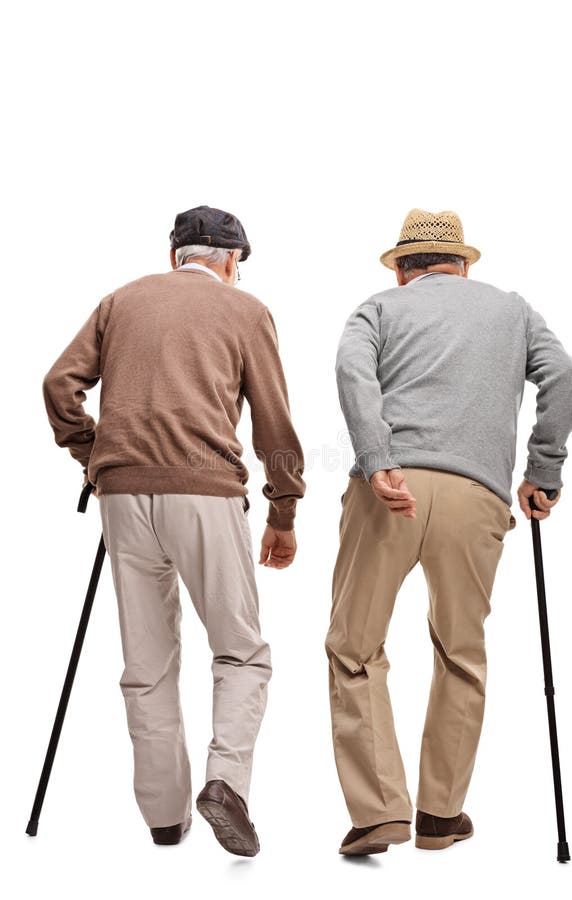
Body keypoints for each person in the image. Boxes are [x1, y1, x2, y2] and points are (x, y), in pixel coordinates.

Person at [43, 205, 305, 853]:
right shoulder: (247, 312)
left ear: (174, 257)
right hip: (206, 493)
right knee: (241, 651)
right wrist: (284, 509)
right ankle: (224, 785)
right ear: (231, 261)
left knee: (147, 664)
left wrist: (94, 457)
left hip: (123, 497)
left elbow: (59, 386)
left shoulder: (119, 301)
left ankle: (165, 819)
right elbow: (273, 424)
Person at [326, 207, 572, 856]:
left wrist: (379, 456)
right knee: (460, 650)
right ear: (462, 265)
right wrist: (542, 473)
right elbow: (565, 377)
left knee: (355, 648)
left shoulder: (378, 310)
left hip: (390, 491)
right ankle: (440, 815)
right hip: (479, 496)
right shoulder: (513, 311)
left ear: (404, 269)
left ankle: (381, 810)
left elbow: (353, 374)